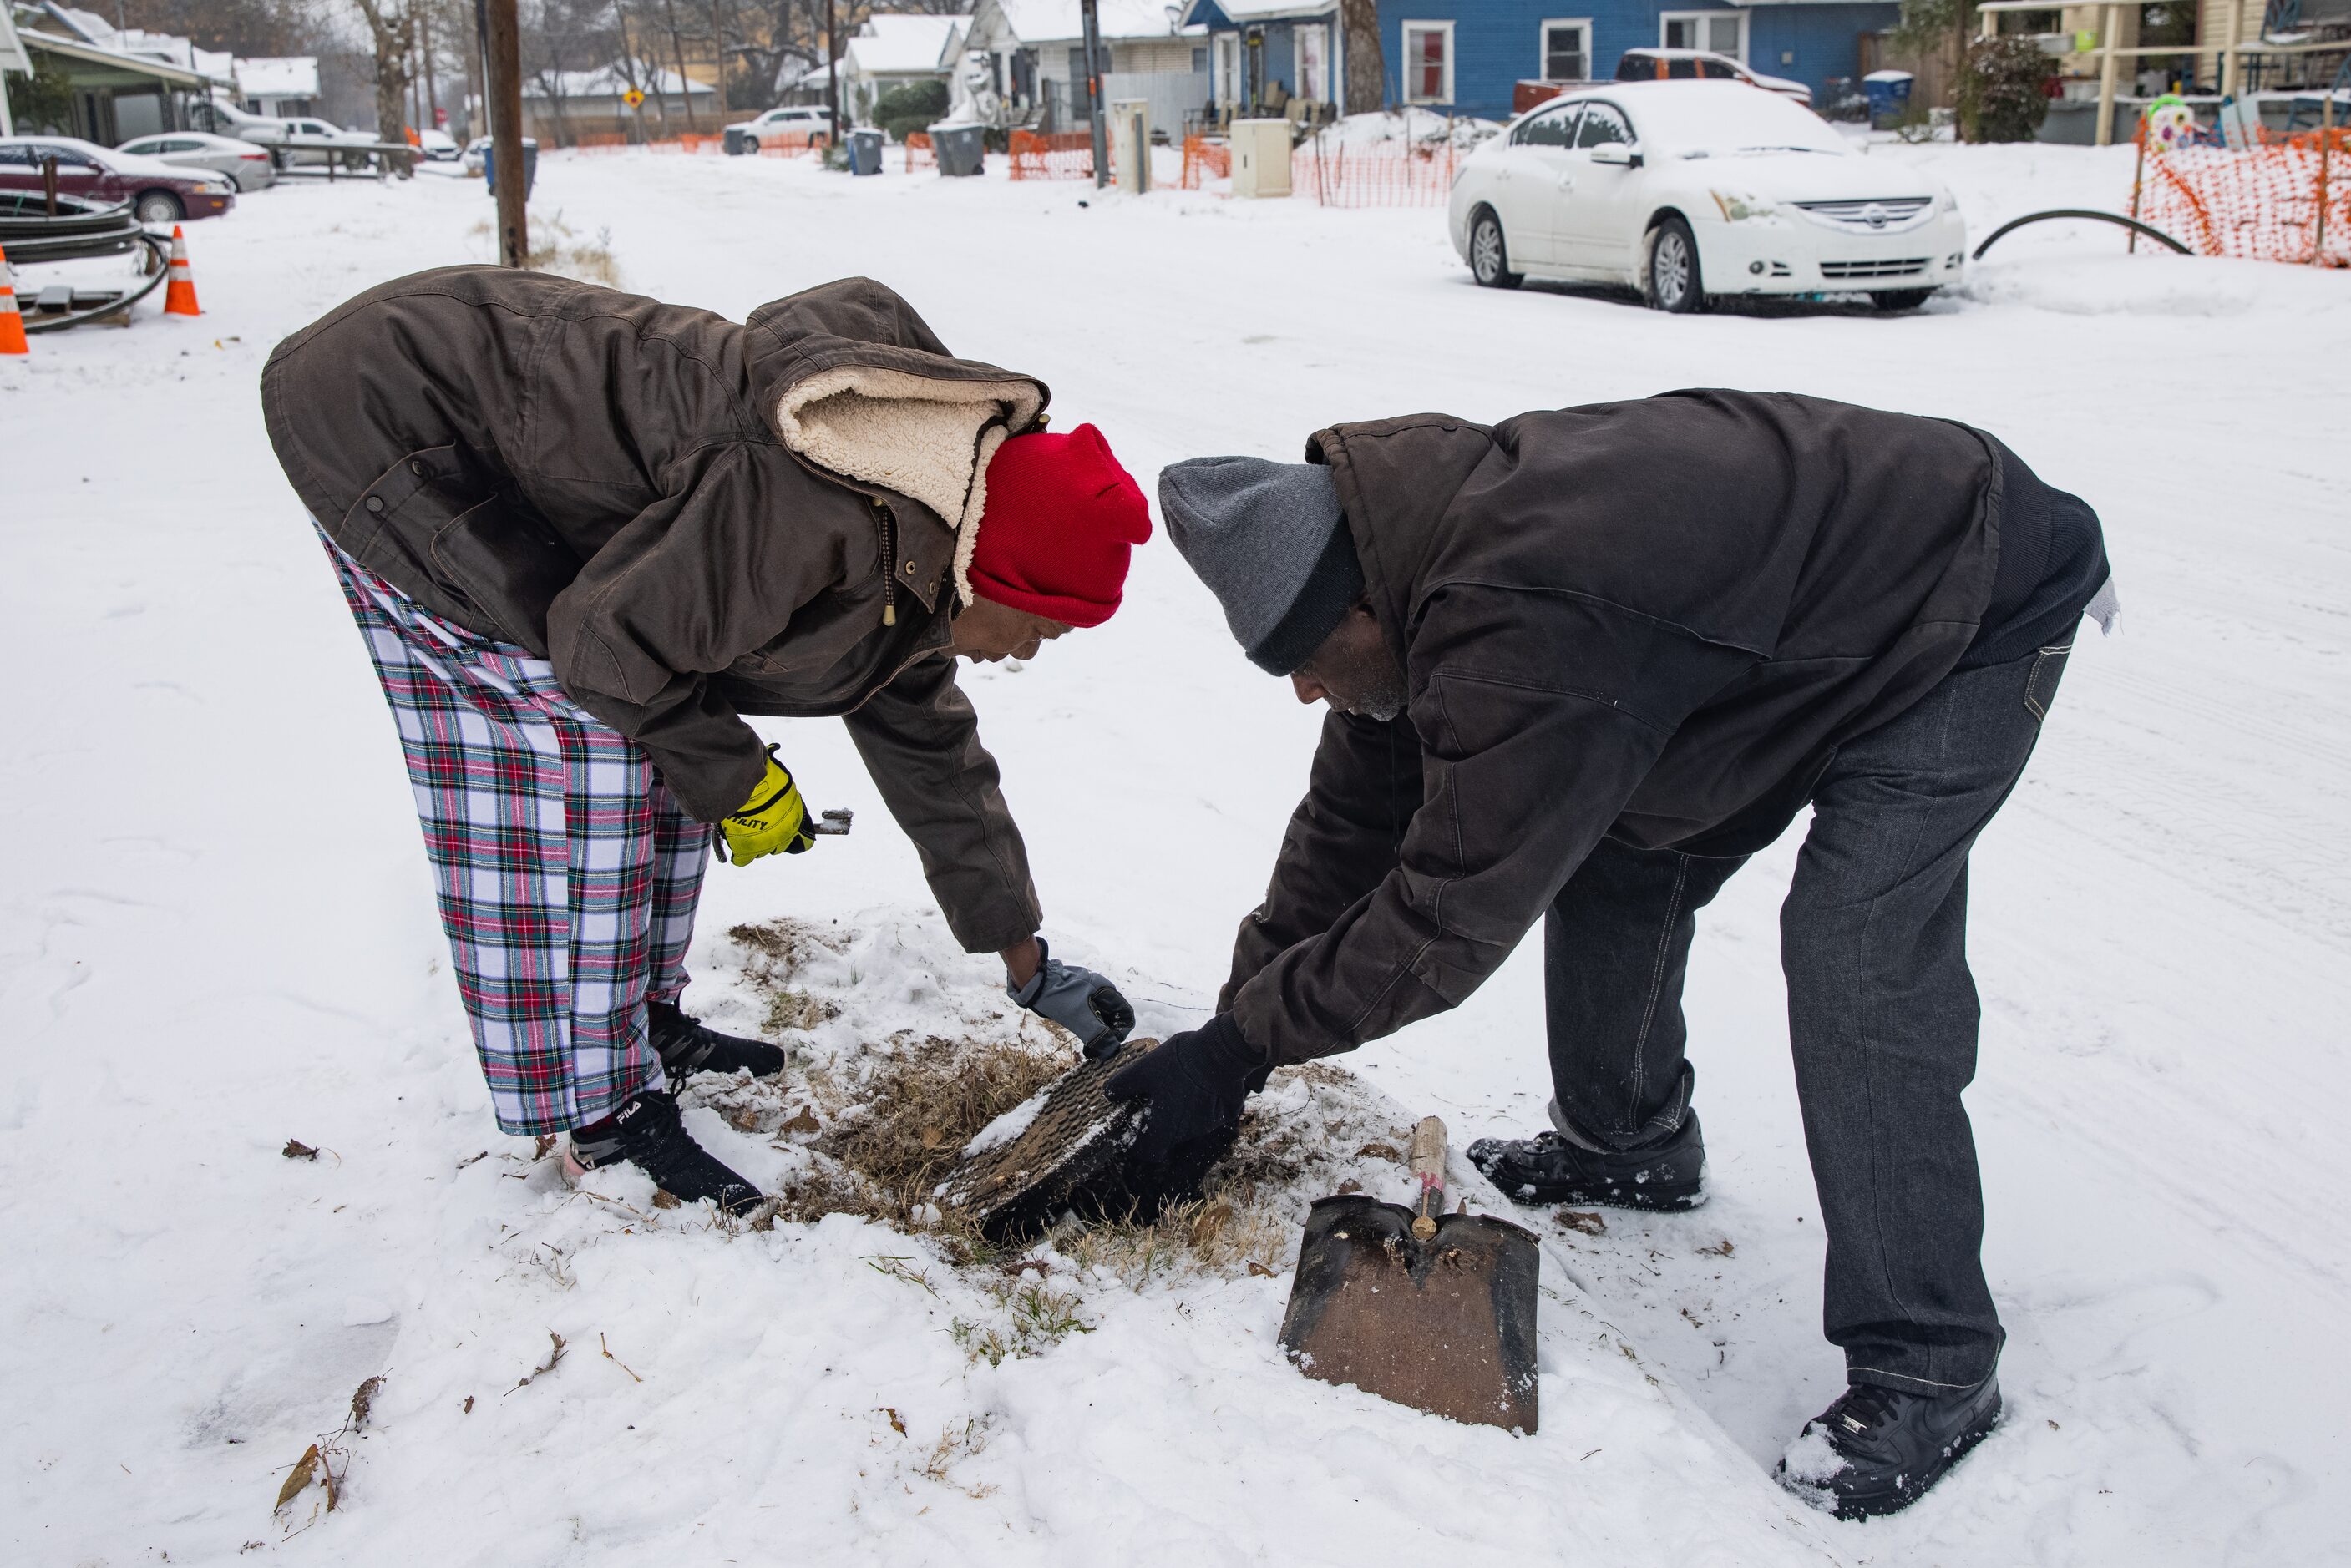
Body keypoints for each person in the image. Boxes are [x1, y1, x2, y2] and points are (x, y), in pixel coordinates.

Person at [1118, 391, 2114, 1519]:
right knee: (1616, 837)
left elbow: (1441, 920)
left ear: (1354, 602)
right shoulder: (1409, 571)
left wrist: (1247, 1040)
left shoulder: (1515, 615)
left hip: (1964, 593)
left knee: (1853, 948)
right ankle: (1627, 1142)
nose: (1302, 687)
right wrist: (1228, 1025)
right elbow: (1351, 826)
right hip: (1789, 625)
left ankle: (1931, 1359)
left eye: (1302, 656)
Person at [265, 269, 1150, 1216]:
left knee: (668, 717)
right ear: (995, 570)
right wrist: (738, 781)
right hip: (390, 416)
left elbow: (932, 749)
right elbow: (607, 653)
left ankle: (637, 1028)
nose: (1025, 653)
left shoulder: (924, 522)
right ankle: (601, 1117)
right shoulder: (815, 502)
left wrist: (1026, 961)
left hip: (490, 437)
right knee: (591, 750)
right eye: (1040, 628)